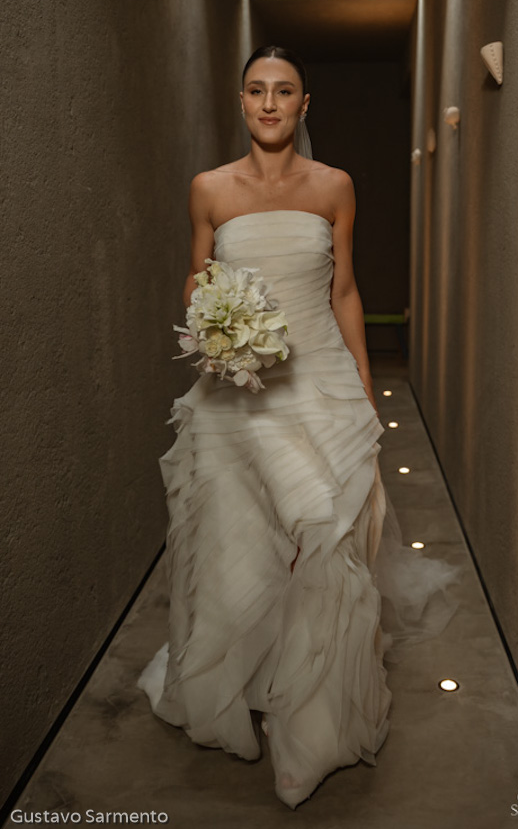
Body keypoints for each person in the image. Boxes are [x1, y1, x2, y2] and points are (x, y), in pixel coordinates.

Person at [137, 45, 463, 810]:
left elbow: (345, 289)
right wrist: (213, 314)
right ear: (241, 101)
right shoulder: (209, 188)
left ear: (304, 104)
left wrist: (364, 384)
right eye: (256, 90)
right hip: (236, 391)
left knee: (322, 542)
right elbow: (195, 274)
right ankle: (239, 688)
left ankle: (311, 729)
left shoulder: (334, 186)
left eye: (284, 91)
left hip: (318, 382)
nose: (269, 103)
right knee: (237, 546)